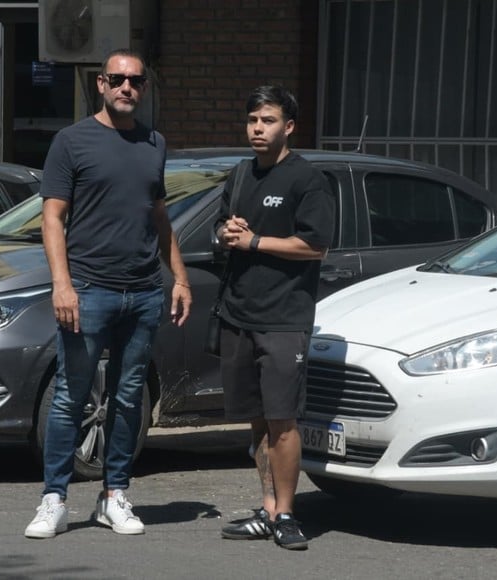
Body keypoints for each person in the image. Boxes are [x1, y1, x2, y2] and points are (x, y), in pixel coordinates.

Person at [24, 48, 192, 539]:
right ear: (100, 83)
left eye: (135, 80)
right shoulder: (72, 141)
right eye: (117, 79)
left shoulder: (154, 143)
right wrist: (63, 284)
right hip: (89, 290)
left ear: (143, 87)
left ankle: (115, 495)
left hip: (142, 293)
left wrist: (178, 277)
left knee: (126, 399)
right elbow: (52, 217)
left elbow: (158, 217)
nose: (126, 88)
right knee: (70, 399)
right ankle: (53, 499)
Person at [215, 86, 334, 550]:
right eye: (251, 120)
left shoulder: (307, 179)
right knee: (258, 421)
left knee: (283, 420)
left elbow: (315, 245)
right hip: (239, 313)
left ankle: (287, 513)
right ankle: (266, 508)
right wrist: (227, 231)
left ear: (289, 126)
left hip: (284, 318)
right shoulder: (241, 174)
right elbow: (224, 227)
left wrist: (255, 242)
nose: (257, 128)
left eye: (266, 120)